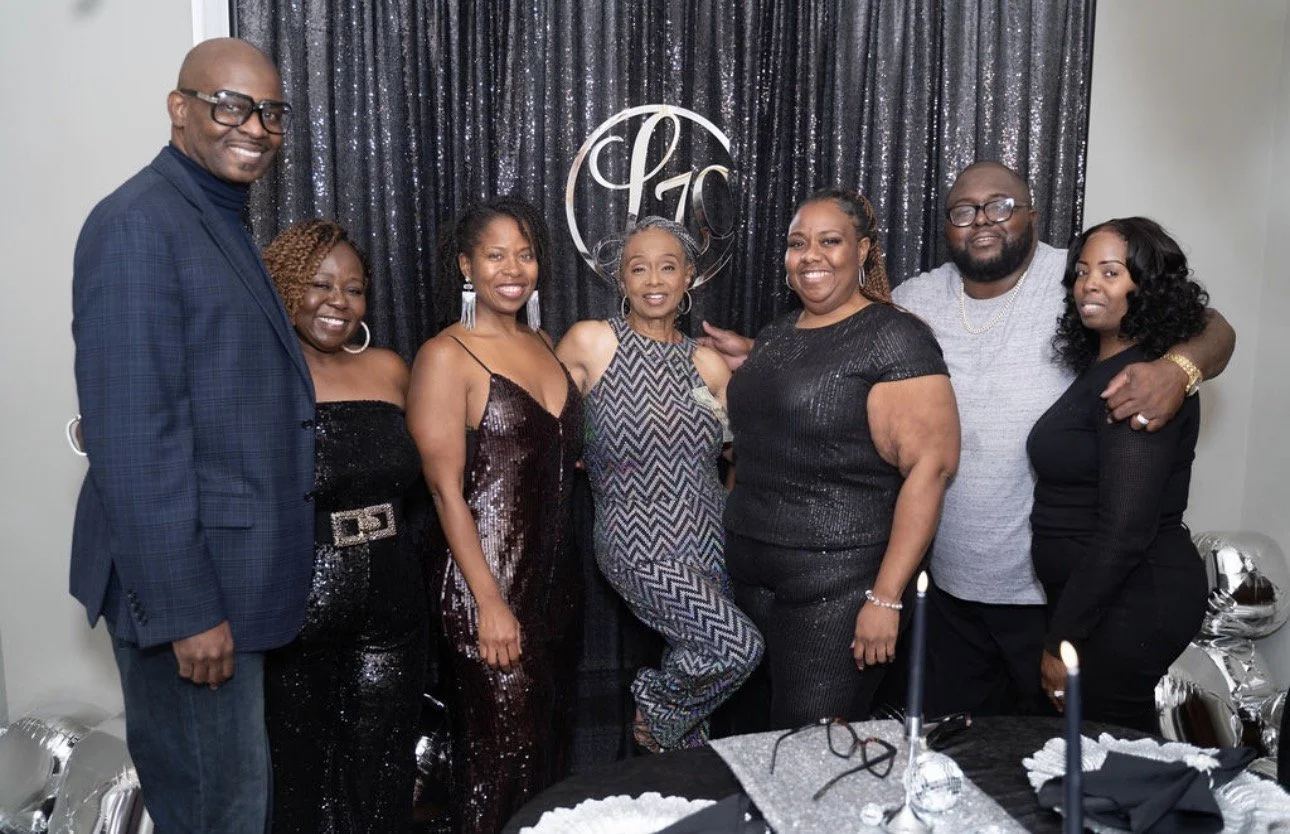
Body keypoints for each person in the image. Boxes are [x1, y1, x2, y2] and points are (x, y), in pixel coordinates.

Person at [701, 161, 1236, 719]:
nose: (982, 221)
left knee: (1054, 754)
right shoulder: (918, 298)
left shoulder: (1076, 278)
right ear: (946, 226)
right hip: (949, 583)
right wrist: (770, 364)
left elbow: (1212, 326)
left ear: (1032, 212)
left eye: (1000, 206)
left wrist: (1180, 368)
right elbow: (842, 353)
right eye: (963, 211)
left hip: (1047, 593)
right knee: (953, 758)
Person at [69, 39, 313, 829]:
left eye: (271, 111)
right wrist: (186, 612)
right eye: (231, 105)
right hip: (193, 594)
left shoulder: (214, 218)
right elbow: (136, 440)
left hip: (229, 581)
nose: (255, 125)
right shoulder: (138, 226)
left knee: (232, 805)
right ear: (181, 110)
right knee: (220, 814)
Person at [722, 188, 960, 729]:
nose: (811, 256)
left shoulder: (895, 337)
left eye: (830, 242)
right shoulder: (779, 334)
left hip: (838, 583)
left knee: (811, 748)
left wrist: (886, 599)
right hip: (749, 576)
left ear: (864, 251)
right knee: (750, 743)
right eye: (797, 243)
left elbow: (931, 469)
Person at [407, 197, 583, 833]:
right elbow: (445, 493)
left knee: (548, 760)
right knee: (498, 767)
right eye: (495, 254)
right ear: (466, 265)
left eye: (526, 253)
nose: (514, 268)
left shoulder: (541, 342)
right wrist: (489, 603)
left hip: (555, 590)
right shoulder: (446, 356)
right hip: (486, 588)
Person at [556, 217, 764, 753]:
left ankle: (677, 783)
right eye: (638, 267)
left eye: (668, 267)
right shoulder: (592, 342)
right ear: (620, 280)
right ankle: (654, 706)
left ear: (688, 277)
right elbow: (545, 428)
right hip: (635, 542)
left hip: (710, 541)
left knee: (695, 660)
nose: (653, 280)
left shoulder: (708, 363)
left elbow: (742, 452)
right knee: (734, 649)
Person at [260, 220, 428, 831]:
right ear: (282, 286)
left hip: (394, 595)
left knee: (382, 764)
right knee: (298, 767)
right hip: (299, 600)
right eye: (320, 284)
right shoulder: (259, 373)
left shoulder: (389, 368)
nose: (339, 302)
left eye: (354, 289)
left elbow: (444, 465)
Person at [1029, 217, 1210, 732]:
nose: (1090, 283)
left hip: (1133, 595)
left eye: (1111, 272)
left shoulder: (1140, 382)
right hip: (1105, 598)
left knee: (1109, 756)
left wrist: (1059, 641)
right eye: (1083, 271)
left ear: (1145, 286)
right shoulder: (1106, 368)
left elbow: (1125, 531)